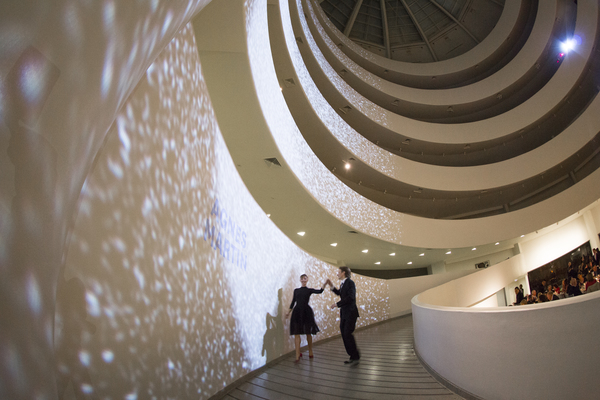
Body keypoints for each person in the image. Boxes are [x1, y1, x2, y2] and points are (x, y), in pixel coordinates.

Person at [286, 274, 326, 363]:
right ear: (300, 280)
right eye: (302, 279)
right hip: (297, 312)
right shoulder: (296, 290)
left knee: (308, 332)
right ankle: (297, 355)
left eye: (305, 279)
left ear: (307, 280)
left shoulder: (309, 290)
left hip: (306, 313)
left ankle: (310, 351)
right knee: (297, 333)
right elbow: (293, 302)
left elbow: (320, 291)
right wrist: (288, 312)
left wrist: (325, 284)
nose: (303, 280)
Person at [329, 266, 360, 365]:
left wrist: (337, 304)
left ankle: (355, 356)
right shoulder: (343, 284)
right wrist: (332, 287)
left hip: (351, 312)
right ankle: (352, 355)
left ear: (343, 273)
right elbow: (339, 293)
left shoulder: (350, 283)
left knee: (347, 333)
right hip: (345, 313)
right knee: (344, 333)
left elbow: (351, 297)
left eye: (338, 272)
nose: (337, 274)